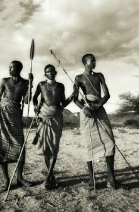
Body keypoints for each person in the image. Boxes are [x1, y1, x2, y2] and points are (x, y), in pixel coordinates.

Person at [73, 54, 120, 190]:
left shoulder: (99, 76)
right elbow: (75, 99)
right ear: (85, 63)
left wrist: (99, 105)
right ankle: (91, 179)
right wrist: (84, 109)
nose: (94, 62)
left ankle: (111, 179)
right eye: (91, 61)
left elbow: (107, 94)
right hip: (86, 112)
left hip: (99, 109)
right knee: (89, 144)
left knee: (110, 142)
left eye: (94, 60)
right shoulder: (79, 78)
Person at [0, 60, 33, 191]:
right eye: (9, 67)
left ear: (18, 69)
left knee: (20, 148)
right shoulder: (4, 81)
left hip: (15, 115)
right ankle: (6, 180)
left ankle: (19, 178)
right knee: (2, 148)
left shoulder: (25, 83)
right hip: (2, 115)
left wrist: (31, 85)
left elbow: (26, 101)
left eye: (11, 68)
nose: (9, 70)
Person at [32, 64, 76, 190]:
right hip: (44, 116)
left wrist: (73, 94)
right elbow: (35, 97)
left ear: (55, 72)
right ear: (45, 74)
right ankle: (50, 176)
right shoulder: (41, 85)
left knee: (54, 146)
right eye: (47, 71)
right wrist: (35, 105)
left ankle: (49, 176)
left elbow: (63, 102)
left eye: (51, 70)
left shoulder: (61, 86)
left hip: (57, 116)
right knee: (46, 147)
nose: (50, 72)